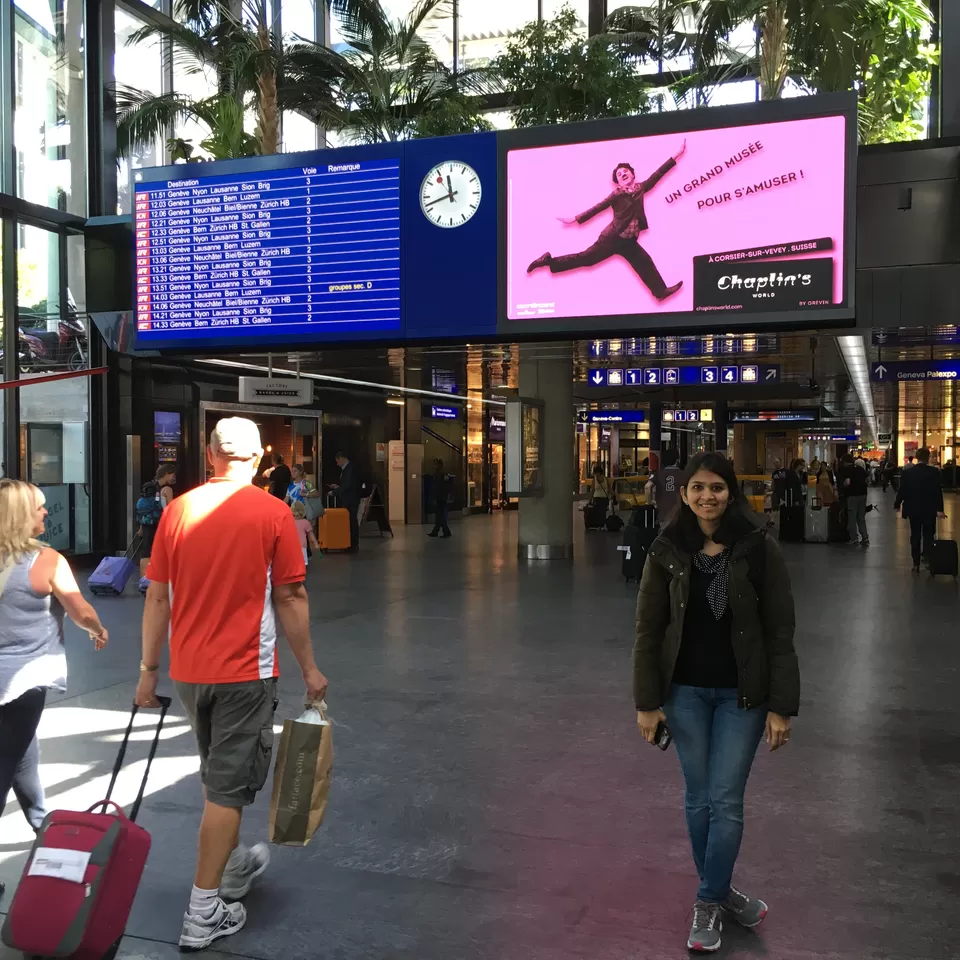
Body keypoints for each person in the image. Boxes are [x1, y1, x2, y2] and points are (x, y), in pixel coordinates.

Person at [134, 418, 328, 951]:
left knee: (218, 774)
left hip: (189, 671)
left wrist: (148, 670)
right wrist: (310, 668)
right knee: (226, 787)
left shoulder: (178, 510)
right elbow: (290, 596)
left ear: (209, 454)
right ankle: (203, 911)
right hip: (245, 671)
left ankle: (235, 861)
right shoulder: (273, 513)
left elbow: (157, 595)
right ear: (260, 457)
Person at [633, 453, 799, 954]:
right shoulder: (666, 549)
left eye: (718, 488)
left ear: (731, 492)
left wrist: (782, 706)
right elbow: (648, 631)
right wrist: (646, 702)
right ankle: (722, 892)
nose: (708, 497)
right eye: (698, 488)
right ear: (684, 495)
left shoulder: (757, 547)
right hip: (683, 694)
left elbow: (780, 631)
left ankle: (708, 900)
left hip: (741, 696)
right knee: (699, 797)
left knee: (725, 799)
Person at [0, 480, 108, 833]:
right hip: (23, 682)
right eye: (39, 507)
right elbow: (81, 611)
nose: (46, 512)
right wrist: (97, 629)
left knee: (22, 752)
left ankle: (42, 826)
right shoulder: (47, 561)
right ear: (20, 516)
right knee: (7, 759)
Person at [525, 142, 687, 302]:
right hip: (612, 239)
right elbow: (598, 207)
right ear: (618, 182)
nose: (623, 174)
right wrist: (576, 218)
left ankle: (660, 291)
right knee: (586, 259)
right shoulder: (616, 194)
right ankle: (549, 261)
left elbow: (657, 174)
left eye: (626, 171)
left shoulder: (640, 188)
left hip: (629, 242)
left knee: (644, 261)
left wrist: (676, 155)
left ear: (633, 174)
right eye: (619, 174)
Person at [894, 446, 946, 571]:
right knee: (928, 535)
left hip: (913, 509)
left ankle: (916, 564)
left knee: (915, 535)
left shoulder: (908, 473)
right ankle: (927, 558)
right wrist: (940, 509)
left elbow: (903, 490)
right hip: (929, 509)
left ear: (916, 457)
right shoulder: (934, 472)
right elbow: (937, 492)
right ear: (928, 458)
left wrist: (897, 504)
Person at [137, 463, 176, 582]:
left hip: (147, 523)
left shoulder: (150, 487)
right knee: (162, 552)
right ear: (167, 474)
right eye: (173, 475)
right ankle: (161, 579)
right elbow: (171, 509)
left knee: (146, 552)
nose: (174, 478)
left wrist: (141, 527)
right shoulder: (167, 489)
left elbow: (145, 509)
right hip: (159, 524)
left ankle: (143, 581)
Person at [330, 451, 361, 552]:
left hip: (350, 499)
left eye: (338, 461)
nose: (337, 463)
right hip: (350, 498)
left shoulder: (349, 469)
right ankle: (351, 544)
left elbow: (347, 485)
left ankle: (353, 545)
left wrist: (335, 492)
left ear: (342, 458)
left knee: (351, 521)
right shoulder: (349, 468)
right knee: (350, 521)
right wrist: (338, 487)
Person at [838, 454, 869, 545]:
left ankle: (854, 538)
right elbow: (867, 480)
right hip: (863, 495)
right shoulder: (860, 469)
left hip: (852, 496)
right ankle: (865, 537)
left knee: (852, 518)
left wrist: (843, 488)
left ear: (845, 462)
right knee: (861, 517)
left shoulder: (847, 470)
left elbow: (847, 483)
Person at [650, 448, 683, 521]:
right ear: (677, 460)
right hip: (679, 507)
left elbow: (647, 486)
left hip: (662, 507)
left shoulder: (658, 474)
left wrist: (650, 501)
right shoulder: (683, 474)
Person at [290, 500, 321, 566]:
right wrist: (316, 543)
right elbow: (311, 534)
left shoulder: (289, 522)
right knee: (302, 565)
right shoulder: (305, 522)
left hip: (291, 546)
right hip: (302, 547)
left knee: (292, 565)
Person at [428, 459, 452, 539]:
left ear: (440, 465)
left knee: (440, 515)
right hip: (439, 496)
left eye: (435, 464)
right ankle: (436, 531)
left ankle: (446, 531)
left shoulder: (442, 474)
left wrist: (441, 496)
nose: (434, 466)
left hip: (441, 497)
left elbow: (444, 486)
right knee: (439, 515)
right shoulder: (437, 473)